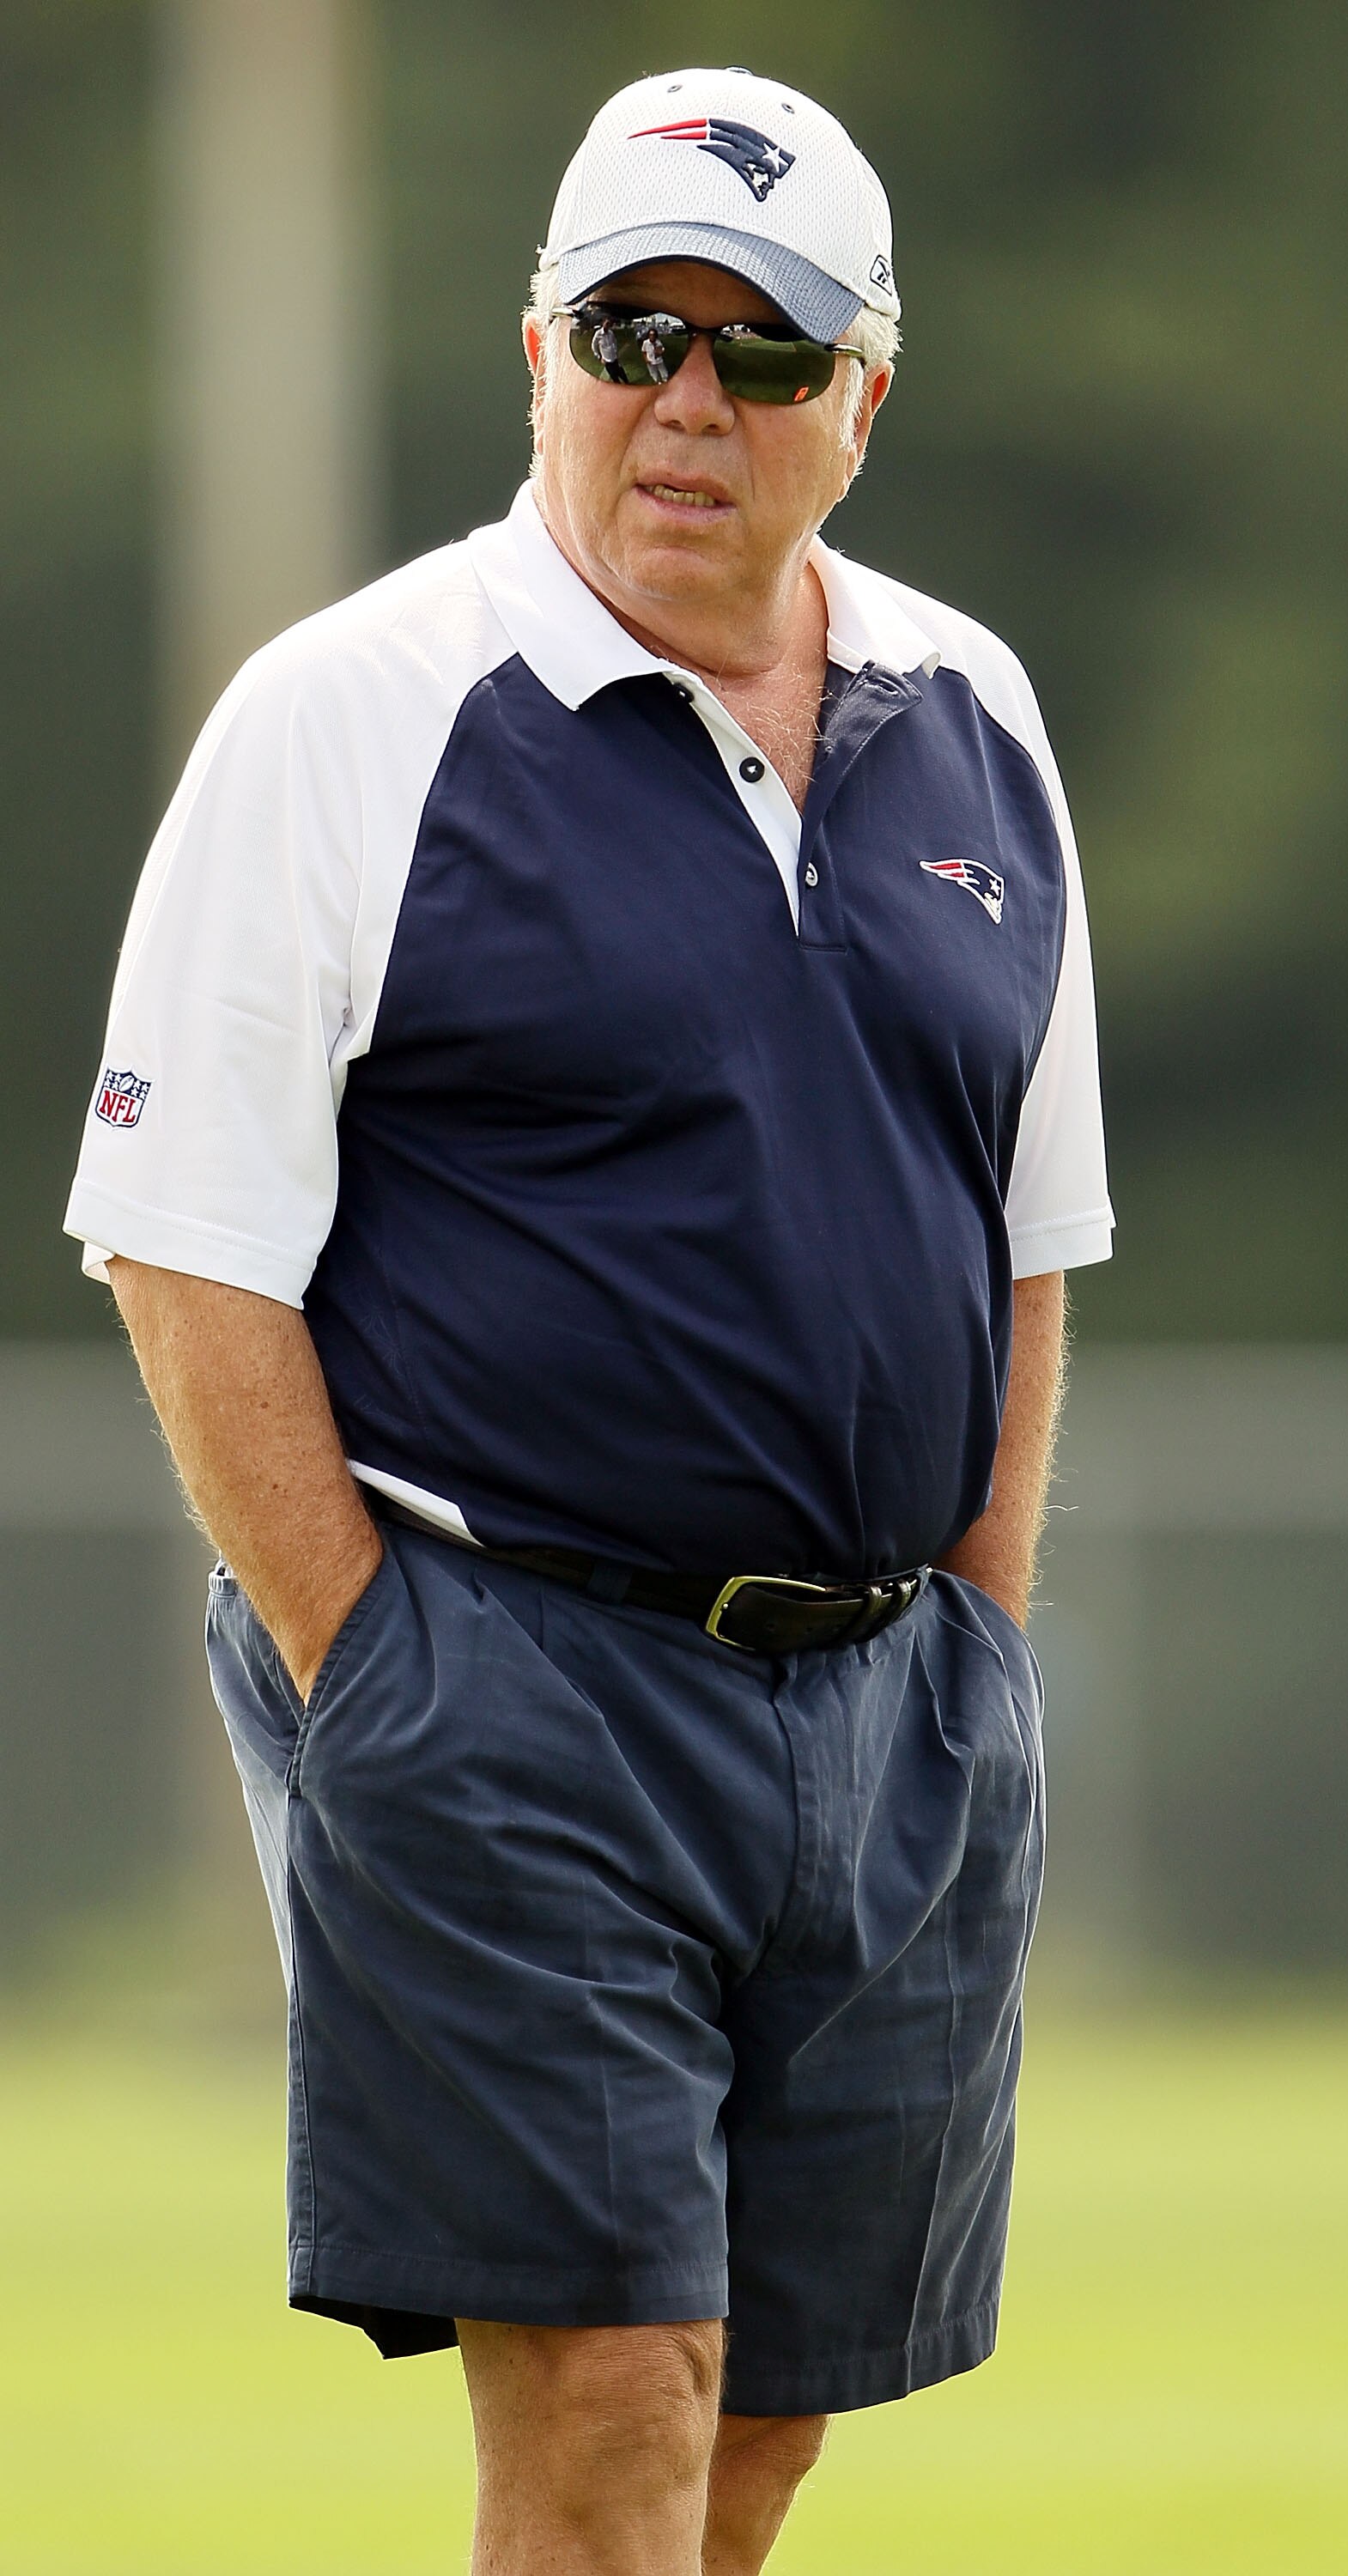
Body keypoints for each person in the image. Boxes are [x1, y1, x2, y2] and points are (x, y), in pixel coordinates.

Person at [65, 62, 1112, 2576]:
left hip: (885, 1712)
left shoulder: (975, 714)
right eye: (636, 331)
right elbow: (181, 1239)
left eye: (761, 353)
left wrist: (975, 1646)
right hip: (504, 1670)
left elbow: (1023, 1232)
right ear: (534, 341)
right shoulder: (351, 717)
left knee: (762, 2426)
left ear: (863, 395)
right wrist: (376, 1671)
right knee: (621, 2402)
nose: (687, 404)